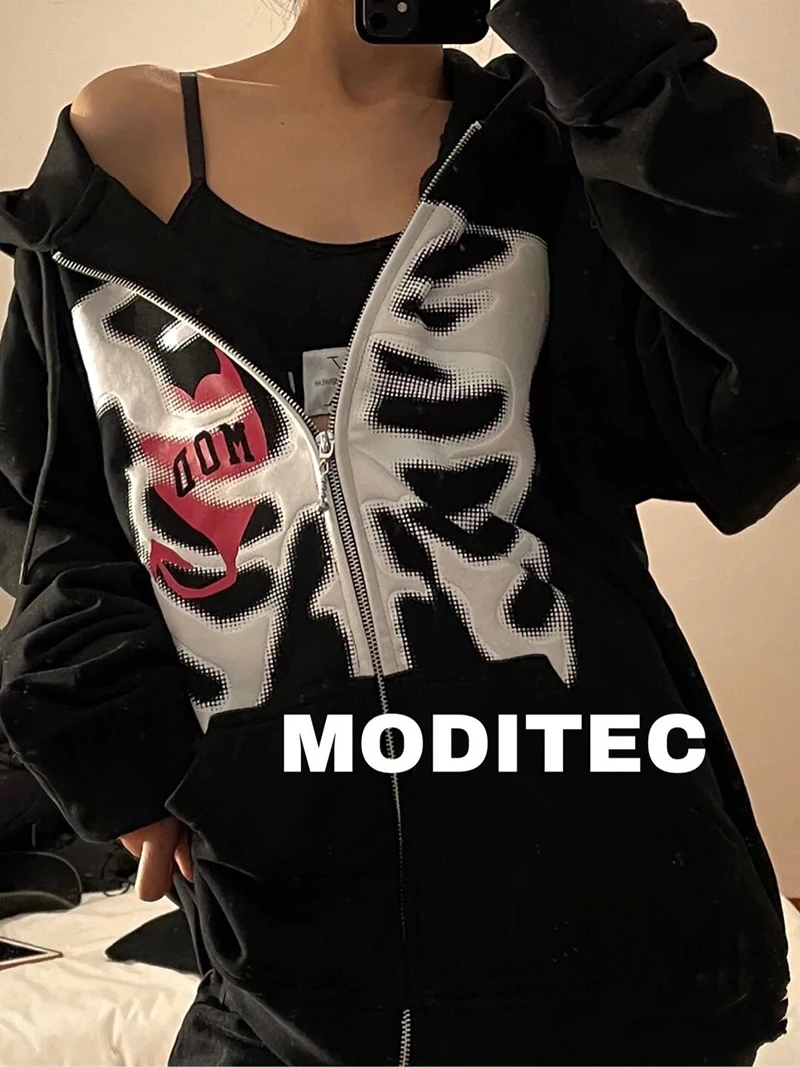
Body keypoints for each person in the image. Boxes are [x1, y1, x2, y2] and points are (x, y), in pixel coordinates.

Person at [0, 0, 797, 1063]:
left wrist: (618, 60)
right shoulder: (129, 136)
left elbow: (768, 384)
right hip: (284, 968)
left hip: (626, 948)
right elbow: (55, 509)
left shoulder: (555, 143)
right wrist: (114, 748)